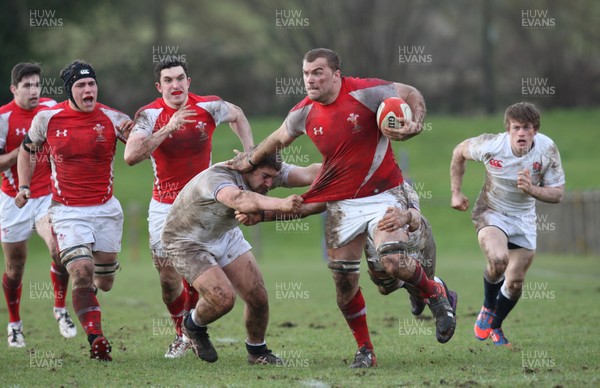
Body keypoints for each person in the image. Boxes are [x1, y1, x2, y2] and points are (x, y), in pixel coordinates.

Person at [227, 48, 456, 368]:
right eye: (306, 73)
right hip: (343, 203)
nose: (310, 79)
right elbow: (279, 139)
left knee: (392, 260)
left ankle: (435, 295)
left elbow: (411, 92)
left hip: (385, 193)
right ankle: (366, 350)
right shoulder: (303, 112)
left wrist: (416, 122)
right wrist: (250, 162)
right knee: (353, 284)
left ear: (337, 74)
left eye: (318, 72)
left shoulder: (366, 91)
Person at [124, 59, 254, 358]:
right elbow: (131, 156)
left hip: (201, 204)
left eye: (180, 78)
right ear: (159, 87)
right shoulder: (150, 115)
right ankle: (180, 331)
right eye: (168, 80)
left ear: (189, 81)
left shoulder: (208, 106)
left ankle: (192, 331)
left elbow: (238, 114)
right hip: (164, 208)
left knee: (199, 270)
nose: (175, 85)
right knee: (169, 280)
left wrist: (249, 154)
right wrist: (168, 128)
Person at [15, 60, 134, 361]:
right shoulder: (48, 118)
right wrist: (25, 187)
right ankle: (96, 339)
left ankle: (88, 279)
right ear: (70, 90)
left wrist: (144, 132)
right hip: (67, 211)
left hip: (106, 210)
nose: (88, 89)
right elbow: (27, 151)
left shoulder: (112, 117)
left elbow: (138, 147)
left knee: (104, 283)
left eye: (92, 84)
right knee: (82, 271)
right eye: (81, 85)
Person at [160, 154, 303, 364]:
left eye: (273, 178)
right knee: (223, 298)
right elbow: (239, 199)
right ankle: (192, 325)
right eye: (265, 177)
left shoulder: (264, 173)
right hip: (185, 240)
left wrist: (352, 167)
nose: (269, 183)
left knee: (258, 297)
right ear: (247, 169)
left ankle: (257, 352)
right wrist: (282, 204)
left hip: (222, 234)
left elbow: (310, 172)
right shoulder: (218, 177)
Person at [450, 102, 565, 346]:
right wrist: (456, 193)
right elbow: (459, 152)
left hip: (524, 218)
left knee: (515, 283)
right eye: (516, 128)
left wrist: (532, 189)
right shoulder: (492, 145)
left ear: (535, 130)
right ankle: (489, 306)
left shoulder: (547, 149)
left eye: (526, 128)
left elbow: (558, 194)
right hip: (492, 211)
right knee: (499, 261)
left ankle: (496, 326)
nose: (521, 133)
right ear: (508, 129)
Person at [0, 62, 76, 348]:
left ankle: (60, 309)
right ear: (14, 89)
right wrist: (23, 149)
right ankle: (15, 325)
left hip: (46, 195)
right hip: (12, 199)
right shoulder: (4, 118)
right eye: (27, 86)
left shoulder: (50, 108)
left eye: (36, 85)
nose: (34, 91)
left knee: (59, 249)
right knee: (15, 267)